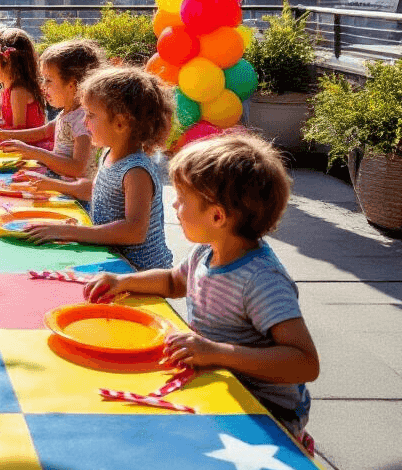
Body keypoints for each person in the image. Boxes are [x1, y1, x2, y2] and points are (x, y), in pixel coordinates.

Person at [82, 131, 319, 449]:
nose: (174, 206)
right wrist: (123, 281)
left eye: (181, 199)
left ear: (217, 216)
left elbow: (304, 362)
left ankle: (299, 448)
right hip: (219, 383)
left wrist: (219, 353)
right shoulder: (206, 253)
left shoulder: (262, 280)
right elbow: (172, 282)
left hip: (267, 413)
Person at [23, 64, 174, 271]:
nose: (84, 122)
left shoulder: (136, 171)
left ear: (120, 123)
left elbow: (134, 231)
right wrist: (50, 184)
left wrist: (71, 233)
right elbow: (96, 191)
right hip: (112, 259)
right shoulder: (110, 153)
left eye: (91, 115)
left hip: (137, 270)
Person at [0, 38, 106, 179]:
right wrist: (8, 136)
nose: (43, 86)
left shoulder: (83, 119)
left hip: (73, 197)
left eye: (48, 80)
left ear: (72, 85)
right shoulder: (67, 113)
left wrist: (33, 152)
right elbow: (46, 131)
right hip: (59, 184)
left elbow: (77, 168)